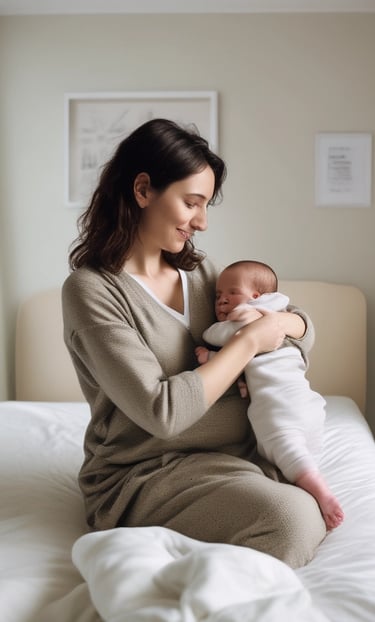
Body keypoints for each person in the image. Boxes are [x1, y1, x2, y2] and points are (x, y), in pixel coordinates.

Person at [62, 118, 327, 570]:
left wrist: (283, 323)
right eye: (191, 203)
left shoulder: (203, 274)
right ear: (143, 190)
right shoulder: (93, 292)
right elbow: (163, 412)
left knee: (308, 509)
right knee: (292, 520)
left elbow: (299, 331)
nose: (201, 222)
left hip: (235, 460)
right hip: (146, 474)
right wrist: (247, 344)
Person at [196, 260, 344, 530]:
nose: (221, 301)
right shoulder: (280, 315)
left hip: (279, 407)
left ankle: (323, 494)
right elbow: (250, 358)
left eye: (231, 293)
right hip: (308, 404)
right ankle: (306, 477)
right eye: (217, 295)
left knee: (286, 448)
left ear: (256, 298)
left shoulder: (245, 320)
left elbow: (220, 337)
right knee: (301, 451)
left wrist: (208, 354)